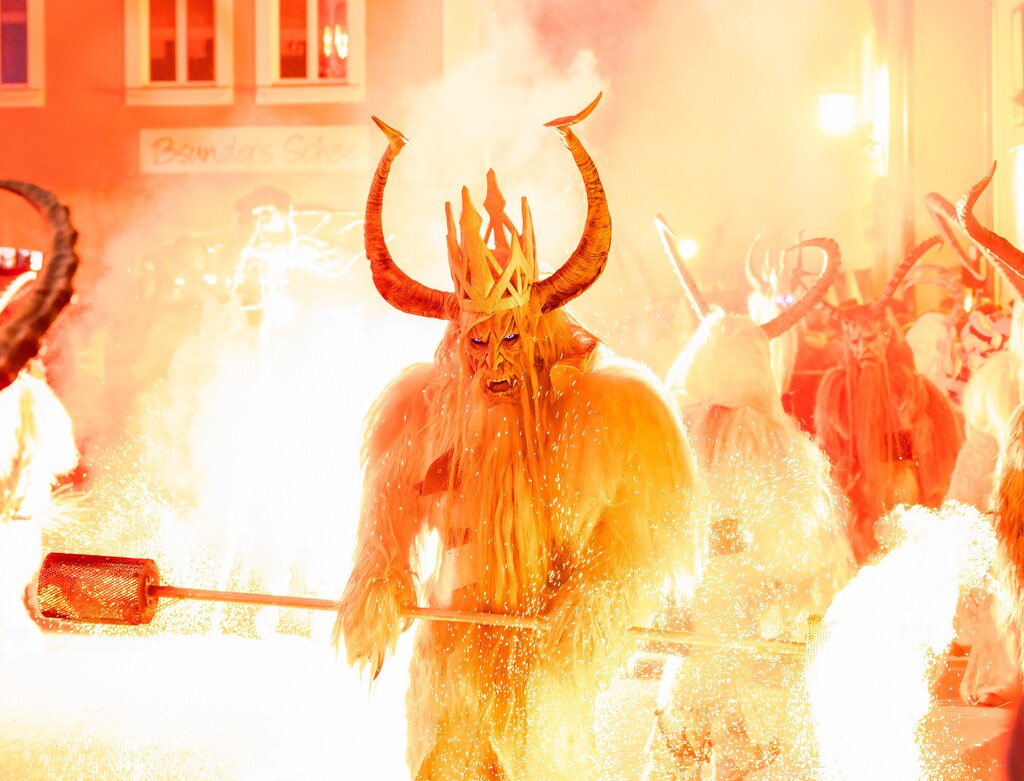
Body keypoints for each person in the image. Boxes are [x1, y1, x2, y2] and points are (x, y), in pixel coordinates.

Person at [333, 95, 701, 781]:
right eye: (481, 341)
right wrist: (376, 578)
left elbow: (632, 545)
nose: (498, 362)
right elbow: (384, 521)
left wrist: (592, 604)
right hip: (448, 653)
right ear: (458, 340)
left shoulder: (603, 415)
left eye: (512, 339)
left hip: (540, 661)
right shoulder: (419, 412)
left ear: (537, 336)